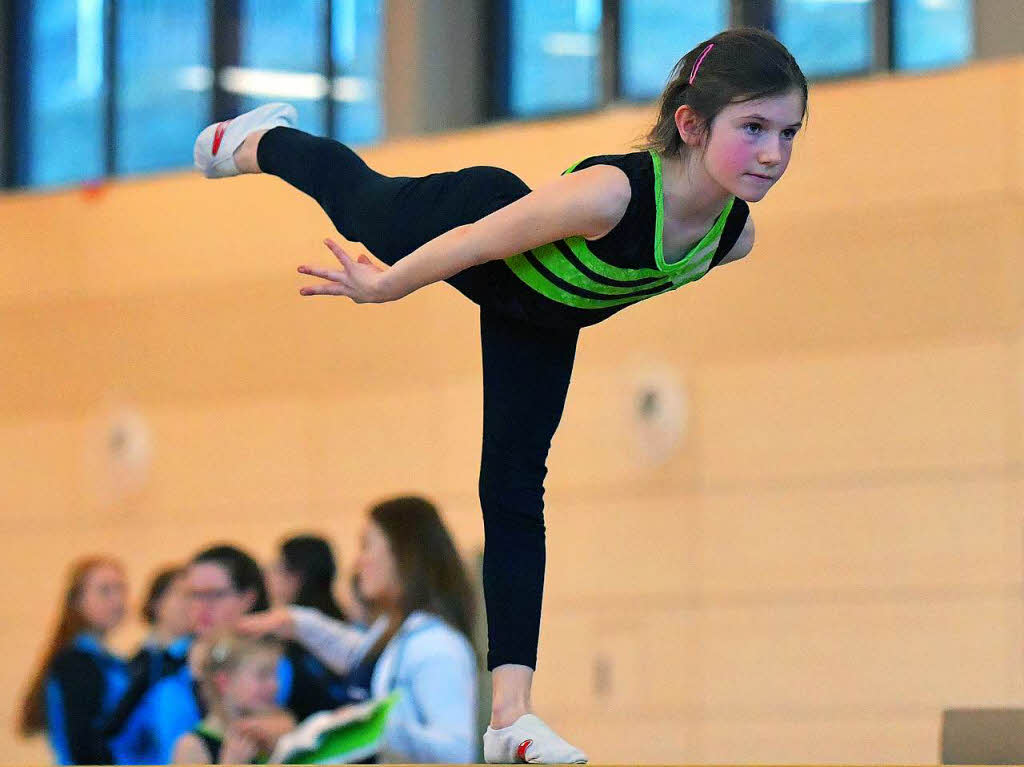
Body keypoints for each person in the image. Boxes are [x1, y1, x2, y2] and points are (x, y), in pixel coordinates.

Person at [194, 27, 807, 763]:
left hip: (543, 317)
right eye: (753, 128)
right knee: (364, 208)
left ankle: (509, 716)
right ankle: (261, 140)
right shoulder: (611, 194)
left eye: (788, 132)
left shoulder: (731, 236)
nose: (773, 153)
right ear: (690, 124)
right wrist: (385, 284)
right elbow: (482, 239)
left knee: (513, 492)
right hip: (486, 233)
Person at [238, 495, 478, 763]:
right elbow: (355, 655)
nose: (358, 562)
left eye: (366, 546)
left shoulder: (436, 644)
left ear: (402, 554)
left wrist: (372, 725)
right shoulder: (394, 632)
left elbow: (458, 752)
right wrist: (293, 622)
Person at [111, 545, 336, 764]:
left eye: (214, 595)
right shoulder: (160, 664)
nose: (201, 606)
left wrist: (292, 727)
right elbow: (113, 739)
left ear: (247, 598)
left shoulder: (280, 664)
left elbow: (327, 724)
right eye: (192, 595)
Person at [19, 557, 129, 765]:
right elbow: (82, 746)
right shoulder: (76, 664)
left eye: (121, 589)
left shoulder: (110, 662)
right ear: (77, 601)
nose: (117, 600)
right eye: (105, 591)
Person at [102, 566, 192, 760]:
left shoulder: (197, 661)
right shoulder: (134, 664)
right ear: (157, 603)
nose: (192, 604)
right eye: (183, 594)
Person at [171, 634, 283, 764]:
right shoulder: (192, 746)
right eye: (263, 675)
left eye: (275, 675)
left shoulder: (267, 739)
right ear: (224, 682)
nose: (275, 685)